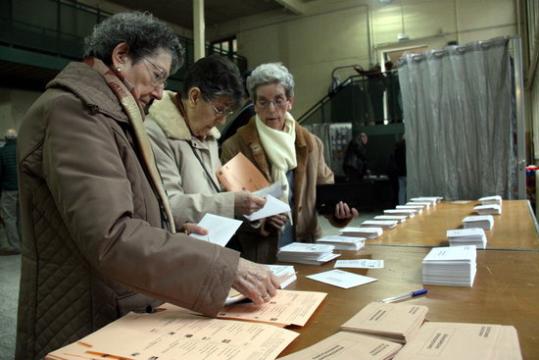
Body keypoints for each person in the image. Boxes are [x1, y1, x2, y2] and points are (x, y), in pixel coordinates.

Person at [15, 12, 278, 360]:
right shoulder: (75, 112)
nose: (159, 91)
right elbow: (111, 236)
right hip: (85, 314)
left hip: (111, 301)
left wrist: (170, 229)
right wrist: (222, 266)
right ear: (121, 56)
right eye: (156, 76)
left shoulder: (109, 113)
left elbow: (119, 209)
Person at [221, 63, 357, 262]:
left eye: (278, 100)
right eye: (263, 102)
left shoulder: (310, 144)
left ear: (290, 102)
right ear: (254, 104)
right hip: (260, 253)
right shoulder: (235, 146)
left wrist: (338, 212)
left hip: (307, 248)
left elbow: (325, 192)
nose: (272, 109)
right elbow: (233, 205)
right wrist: (262, 218)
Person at [145, 55, 265, 228]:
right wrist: (231, 203)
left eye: (228, 113)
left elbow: (220, 190)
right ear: (194, 97)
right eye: (220, 109)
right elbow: (167, 205)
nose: (222, 121)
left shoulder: (209, 137)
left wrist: (253, 206)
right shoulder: (156, 133)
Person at [0, 128, 20, 255]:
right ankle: (26, 244)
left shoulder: (2, 152)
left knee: (9, 218)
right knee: (22, 217)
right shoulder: (21, 150)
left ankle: (15, 246)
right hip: (23, 189)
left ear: (6, 139)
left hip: (8, 190)